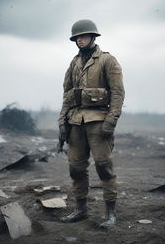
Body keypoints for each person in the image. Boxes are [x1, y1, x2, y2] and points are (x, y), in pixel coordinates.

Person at [58, 19, 125, 228]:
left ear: (93, 37)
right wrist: (62, 122)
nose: (80, 40)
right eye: (77, 37)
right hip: (76, 122)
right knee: (76, 168)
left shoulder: (107, 61)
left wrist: (111, 122)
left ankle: (111, 214)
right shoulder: (74, 63)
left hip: (98, 121)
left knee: (104, 167)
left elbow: (118, 93)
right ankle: (80, 210)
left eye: (84, 36)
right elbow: (67, 95)